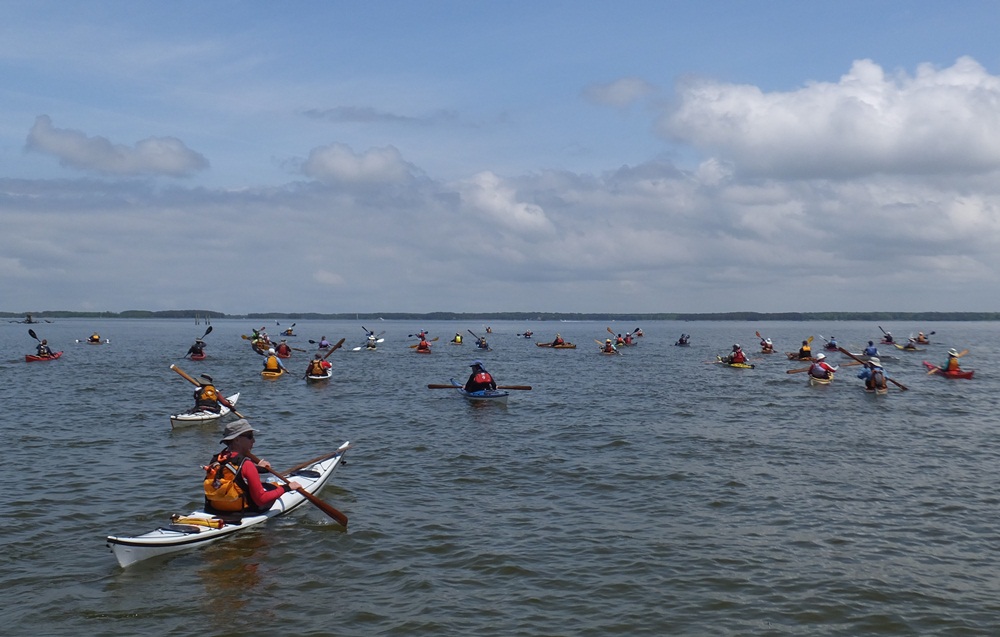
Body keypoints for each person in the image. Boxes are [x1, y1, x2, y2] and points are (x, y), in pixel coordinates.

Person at [203, 420, 302, 514]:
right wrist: (286, 488)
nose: (253, 441)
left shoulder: (216, 459)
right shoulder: (246, 464)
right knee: (271, 487)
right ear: (237, 440)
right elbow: (261, 500)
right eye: (250, 436)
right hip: (245, 511)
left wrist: (259, 469)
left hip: (214, 509)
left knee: (261, 485)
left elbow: (231, 471)